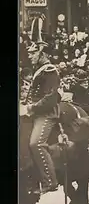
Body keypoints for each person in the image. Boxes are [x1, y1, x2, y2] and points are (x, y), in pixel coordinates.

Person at [23, 41, 61, 194]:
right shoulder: (39, 70)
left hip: (47, 113)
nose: (30, 56)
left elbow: (50, 99)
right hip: (35, 112)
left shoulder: (50, 70)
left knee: (36, 143)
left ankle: (50, 181)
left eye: (32, 53)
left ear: (41, 53)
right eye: (29, 53)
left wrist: (31, 107)